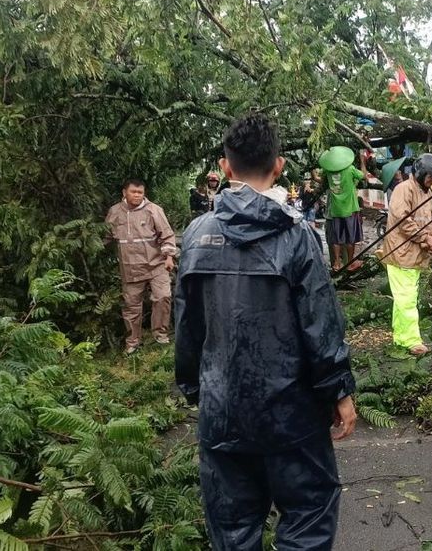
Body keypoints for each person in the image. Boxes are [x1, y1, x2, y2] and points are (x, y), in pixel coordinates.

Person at [174, 112, 357, 550]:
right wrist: (339, 392)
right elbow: (321, 324)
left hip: (223, 411)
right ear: (279, 166)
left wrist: (194, 388)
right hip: (291, 413)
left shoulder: (197, 235)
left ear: (225, 168)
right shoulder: (298, 237)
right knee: (309, 513)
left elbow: (187, 325)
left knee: (233, 525)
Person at [381, 154, 432, 356]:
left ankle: (401, 337)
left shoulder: (425, 193)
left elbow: (429, 221)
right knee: (407, 299)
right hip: (401, 254)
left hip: (414, 255)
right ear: (419, 173)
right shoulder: (404, 189)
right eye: (430, 176)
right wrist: (426, 238)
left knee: (404, 298)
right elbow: (403, 220)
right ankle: (411, 341)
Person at [105, 179, 179, 354]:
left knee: (163, 297)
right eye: (133, 192)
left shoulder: (154, 210)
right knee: (131, 306)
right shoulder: (115, 212)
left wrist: (169, 257)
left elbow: (167, 235)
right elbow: (106, 236)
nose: (137, 195)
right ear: (125, 193)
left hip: (156, 264)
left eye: (140, 192)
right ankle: (132, 342)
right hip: (130, 267)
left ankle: (160, 335)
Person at [322, 147, 368, 272]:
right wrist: (362, 161)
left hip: (336, 210)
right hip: (349, 210)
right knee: (350, 238)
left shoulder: (328, 171)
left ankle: (336, 263)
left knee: (336, 238)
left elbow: (321, 178)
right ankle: (350, 263)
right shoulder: (350, 169)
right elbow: (363, 176)